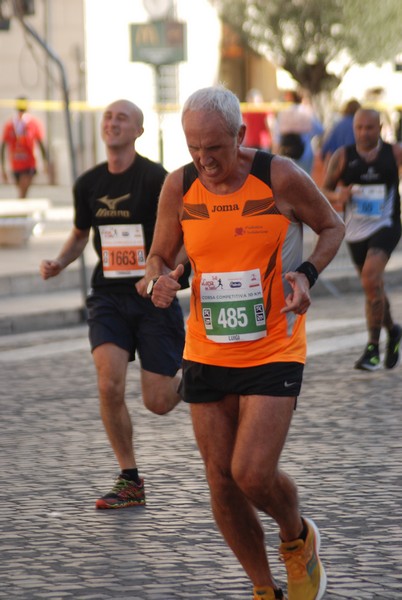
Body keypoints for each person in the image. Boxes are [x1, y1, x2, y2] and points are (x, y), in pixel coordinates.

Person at [144, 86, 344, 600]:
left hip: (274, 344)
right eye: (194, 148)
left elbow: (331, 226)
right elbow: (159, 258)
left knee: (251, 473)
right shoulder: (179, 186)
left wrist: (305, 275)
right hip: (207, 350)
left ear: (240, 135)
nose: (205, 161)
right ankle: (264, 589)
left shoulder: (277, 176)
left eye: (216, 147)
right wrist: (159, 281)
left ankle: (297, 539)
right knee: (221, 482)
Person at [40, 99, 187, 509]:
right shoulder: (88, 183)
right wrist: (59, 261)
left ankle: (197, 375)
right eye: (108, 116)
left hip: (151, 298)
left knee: (157, 402)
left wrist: (163, 276)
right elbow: (80, 234)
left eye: (122, 117)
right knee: (108, 384)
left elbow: (184, 235)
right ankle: (130, 479)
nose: (112, 122)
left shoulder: (158, 179)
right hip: (108, 296)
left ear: (139, 130)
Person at [322, 108, 402, 371]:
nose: (364, 132)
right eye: (360, 128)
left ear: (380, 128)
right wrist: (339, 196)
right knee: (372, 285)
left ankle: (372, 349)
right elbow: (324, 189)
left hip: (386, 224)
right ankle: (394, 330)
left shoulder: (394, 153)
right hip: (355, 230)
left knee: (370, 277)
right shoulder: (343, 156)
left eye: (370, 127)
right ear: (354, 128)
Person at [1, 96, 48, 198]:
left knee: (23, 189)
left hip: (29, 163)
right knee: (21, 189)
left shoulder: (33, 124)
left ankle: (21, 205)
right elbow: (3, 146)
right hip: (16, 164)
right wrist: (3, 167)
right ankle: (21, 206)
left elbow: (40, 143)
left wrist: (45, 162)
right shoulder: (10, 125)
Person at [274, 90, 324, 175]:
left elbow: (277, 135)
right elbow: (320, 129)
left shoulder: (283, 113)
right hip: (305, 152)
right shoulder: (306, 111)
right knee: (305, 180)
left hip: (286, 151)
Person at [321, 99, 361, 165]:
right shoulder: (358, 125)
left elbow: (328, 143)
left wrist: (323, 155)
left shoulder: (338, 124)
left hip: (337, 161)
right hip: (352, 162)